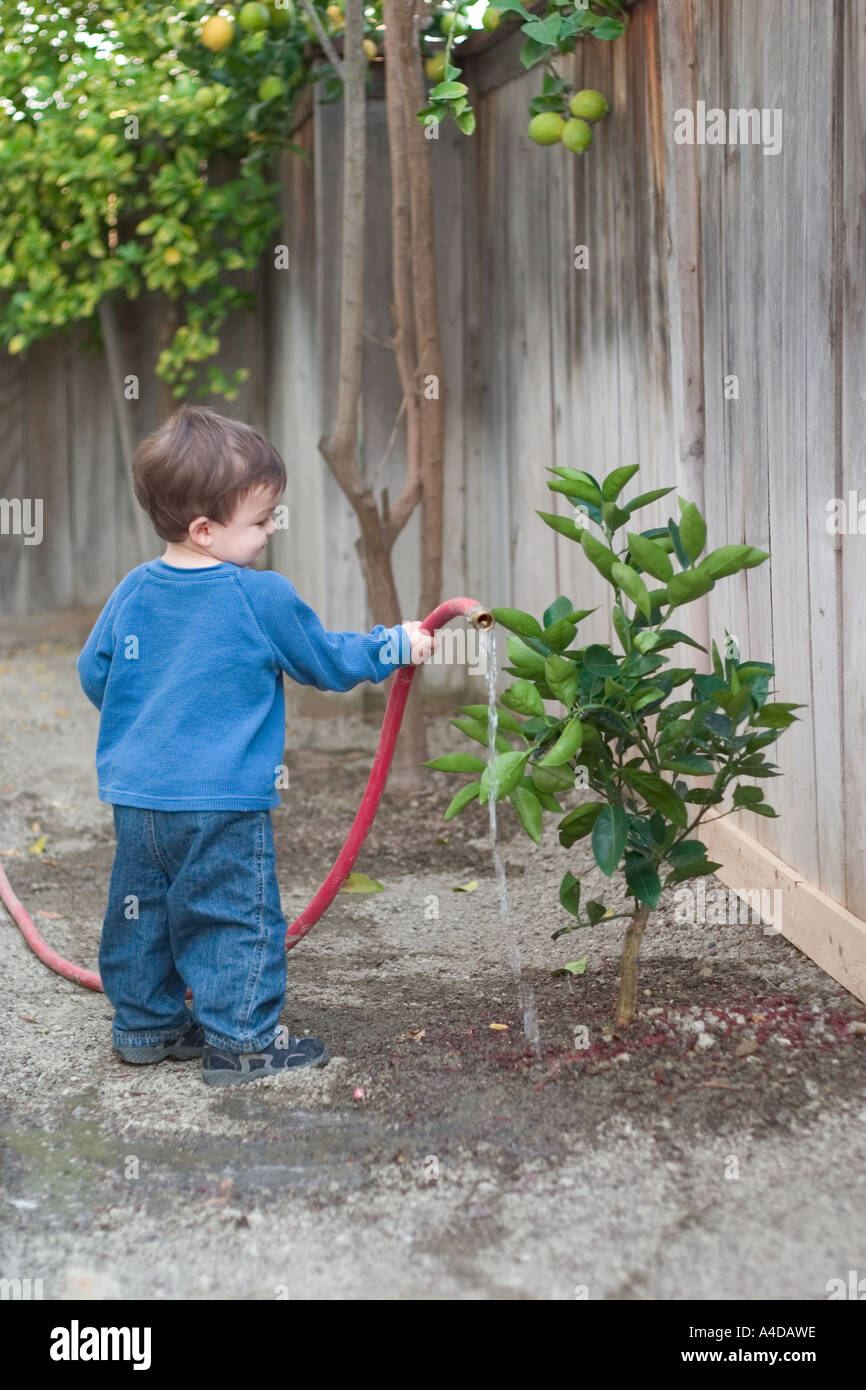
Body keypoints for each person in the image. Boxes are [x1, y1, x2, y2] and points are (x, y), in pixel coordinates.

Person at [77, 404, 438, 1087]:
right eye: (261, 519)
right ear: (206, 530)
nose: (272, 530)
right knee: (233, 913)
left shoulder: (133, 591)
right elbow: (326, 661)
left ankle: (146, 1029)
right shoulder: (257, 596)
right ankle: (243, 1042)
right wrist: (394, 643)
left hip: (139, 799)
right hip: (224, 801)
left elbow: (95, 672)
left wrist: (144, 725)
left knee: (142, 909)